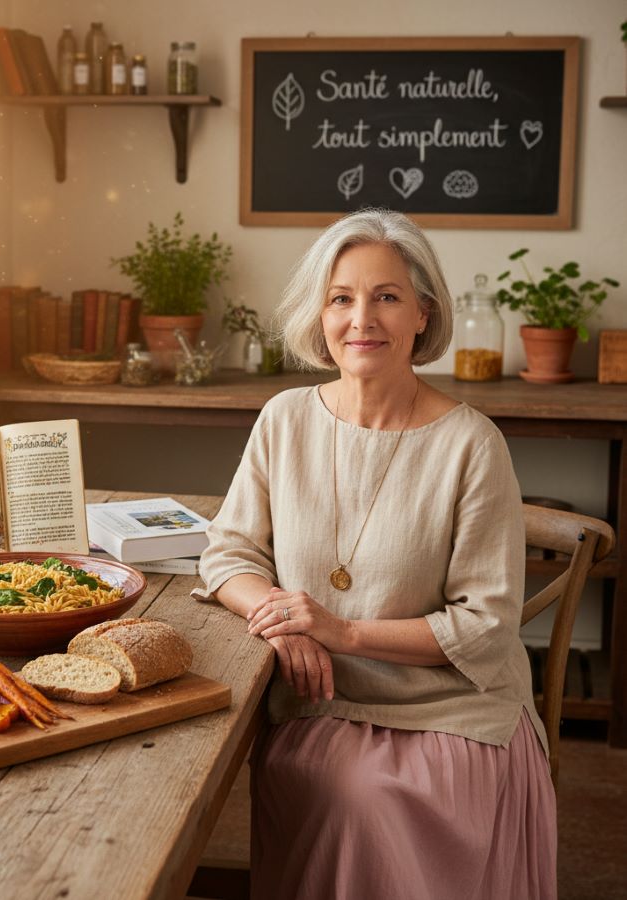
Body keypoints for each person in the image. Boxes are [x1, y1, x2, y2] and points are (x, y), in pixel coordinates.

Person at [193, 209, 557, 899]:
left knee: (360, 795)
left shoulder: (473, 444)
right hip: (321, 701)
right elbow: (228, 552)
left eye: (386, 296)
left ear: (423, 313)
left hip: (450, 712)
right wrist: (282, 618)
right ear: (320, 314)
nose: (361, 319)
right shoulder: (284, 420)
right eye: (341, 298)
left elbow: (485, 626)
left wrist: (339, 631)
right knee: (311, 779)